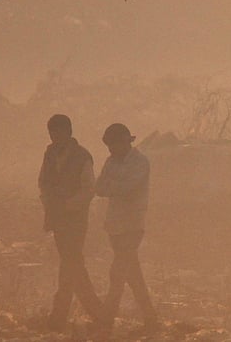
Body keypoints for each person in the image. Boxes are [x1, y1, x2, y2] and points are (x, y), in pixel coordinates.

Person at [38, 114, 104, 331]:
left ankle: (65, 316)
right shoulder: (49, 155)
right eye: (52, 132)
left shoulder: (82, 156)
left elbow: (88, 190)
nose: (55, 136)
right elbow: (43, 183)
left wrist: (66, 205)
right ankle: (96, 315)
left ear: (68, 132)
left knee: (71, 265)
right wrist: (49, 203)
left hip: (75, 220)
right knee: (71, 266)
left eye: (58, 131)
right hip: (58, 220)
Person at [95, 123, 158, 334]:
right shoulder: (111, 162)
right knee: (133, 275)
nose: (111, 150)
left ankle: (105, 322)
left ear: (124, 141)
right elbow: (100, 188)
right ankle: (151, 319)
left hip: (132, 226)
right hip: (115, 226)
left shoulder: (140, 162)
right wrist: (116, 186)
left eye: (113, 145)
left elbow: (127, 188)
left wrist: (113, 186)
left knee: (117, 274)